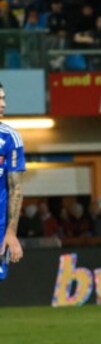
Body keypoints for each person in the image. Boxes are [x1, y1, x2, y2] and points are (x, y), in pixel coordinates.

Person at [0, 82, 26, 281]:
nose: (3, 104)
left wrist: (11, 231)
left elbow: (16, 188)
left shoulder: (11, 138)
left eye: (3, 98)